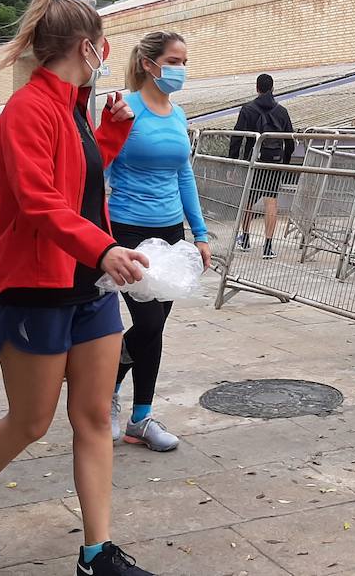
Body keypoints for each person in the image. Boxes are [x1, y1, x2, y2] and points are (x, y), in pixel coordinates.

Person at [0, 0, 153, 576]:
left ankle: (96, 553)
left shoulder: (73, 107)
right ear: (88, 47)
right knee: (30, 422)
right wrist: (103, 248)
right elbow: (38, 201)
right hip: (35, 290)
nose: (107, 55)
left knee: (94, 418)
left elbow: (75, 181)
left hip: (90, 289)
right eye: (104, 45)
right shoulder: (26, 110)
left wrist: (109, 134)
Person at [109, 31, 212, 452]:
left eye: (184, 62)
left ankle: (141, 417)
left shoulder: (177, 113)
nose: (180, 69)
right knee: (148, 323)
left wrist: (200, 233)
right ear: (148, 63)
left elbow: (184, 175)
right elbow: (100, 168)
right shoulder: (123, 108)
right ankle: (107, 387)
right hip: (128, 231)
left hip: (170, 233)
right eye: (173, 61)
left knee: (155, 328)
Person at [228, 73, 295, 259]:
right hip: (274, 162)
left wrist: (233, 162)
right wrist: (285, 162)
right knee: (271, 201)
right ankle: (268, 246)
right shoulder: (282, 111)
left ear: (257, 88)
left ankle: (245, 238)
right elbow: (290, 141)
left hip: (254, 161)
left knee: (248, 199)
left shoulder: (247, 109)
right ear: (273, 88)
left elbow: (237, 137)